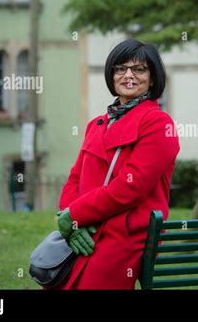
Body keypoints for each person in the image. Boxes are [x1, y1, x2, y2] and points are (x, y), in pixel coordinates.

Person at [55, 39, 180, 289]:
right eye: (120, 68)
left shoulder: (158, 124)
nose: (128, 75)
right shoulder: (97, 124)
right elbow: (75, 179)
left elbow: (130, 187)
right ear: (111, 75)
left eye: (139, 69)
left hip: (127, 235)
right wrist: (74, 221)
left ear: (153, 79)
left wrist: (76, 214)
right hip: (89, 228)